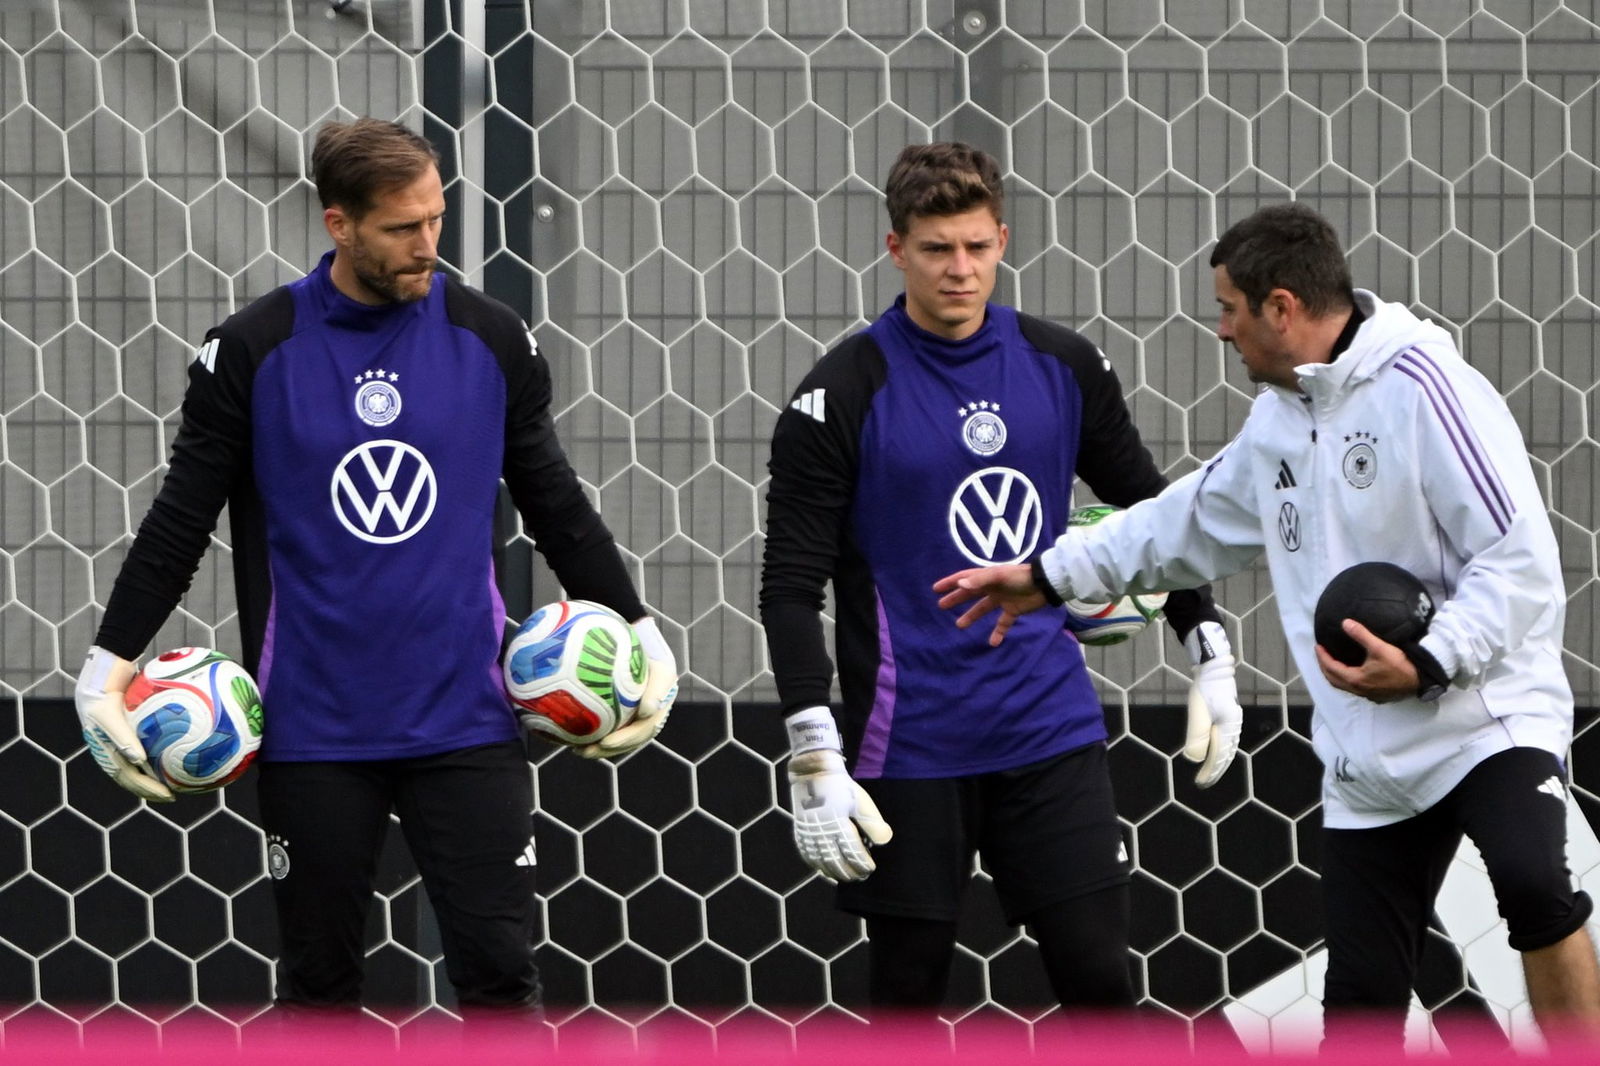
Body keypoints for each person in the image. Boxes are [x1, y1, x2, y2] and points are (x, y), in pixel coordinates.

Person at [935, 201, 1600, 1046]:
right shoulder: (1279, 420)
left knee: (1535, 885)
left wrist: (1430, 661)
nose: (1222, 329)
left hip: (1483, 720)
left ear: (1281, 308)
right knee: (1361, 998)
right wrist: (1046, 575)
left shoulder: (1429, 391)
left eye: (1229, 309)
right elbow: (1186, 521)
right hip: (1367, 749)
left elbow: (1522, 563)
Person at [72, 117, 678, 1023]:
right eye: (403, 227)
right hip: (314, 731)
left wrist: (640, 627)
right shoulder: (252, 351)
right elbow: (178, 523)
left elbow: (555, 502)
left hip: (468, 721)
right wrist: (104, 669)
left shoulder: (489, 338)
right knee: (318, 995)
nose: (428, 244)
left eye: (437, 218)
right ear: (339, 225)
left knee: (502, 984)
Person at [758, 142, 1243, 1017]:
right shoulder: (839, 393)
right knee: (906, 1001)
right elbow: (790, 587)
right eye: (938, 249)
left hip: (1048, 729)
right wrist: (813, 753)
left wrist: (1206, 644)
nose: (960, 270)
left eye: (978, 247)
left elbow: (1148, 514)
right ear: (895, 248)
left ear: (1004, 241)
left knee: (1100, 984)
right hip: (908, 744)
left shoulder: (1064, 366)